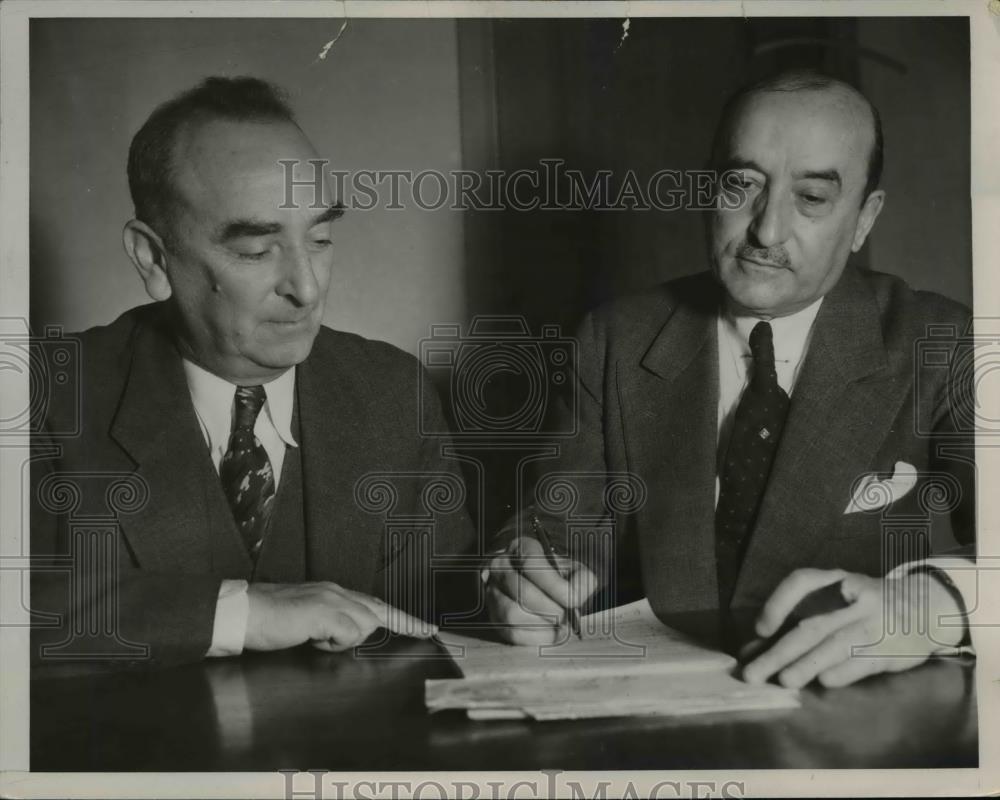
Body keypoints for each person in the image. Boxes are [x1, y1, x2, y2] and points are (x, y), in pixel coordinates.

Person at [485, 70, 977, 689]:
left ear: (863, 219)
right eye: (741, 184)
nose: (766, 231)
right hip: (649, 723)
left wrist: (932, 604)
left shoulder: (945, 343)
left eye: (813, 198)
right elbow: (550, 533)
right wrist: (522, 576)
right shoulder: (613, 339)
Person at [30, 77, 475, 667]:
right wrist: (243, 612)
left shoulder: (393, 391)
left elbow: (441, 606)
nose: (307, 288)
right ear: (154, 259)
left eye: (319, 238)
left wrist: (506, 594)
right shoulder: (45, 397)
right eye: (255, 251)